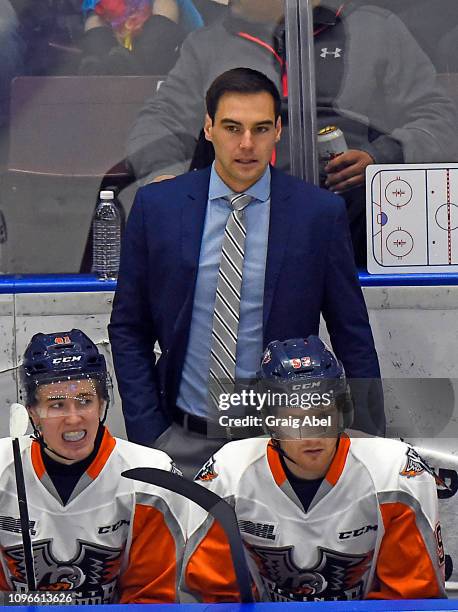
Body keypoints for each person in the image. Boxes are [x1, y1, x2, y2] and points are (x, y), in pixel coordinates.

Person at [109, 67, 382, 478]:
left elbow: (352, 332)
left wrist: (368, 441)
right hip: (180, 440)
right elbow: (129, 328)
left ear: (278, 131)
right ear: (208, 128)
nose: (247, 144)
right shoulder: (157, 209)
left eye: (260, 128)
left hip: (283, 444)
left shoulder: (317, 215)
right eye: (232, 127)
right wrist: (152, 436)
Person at [126, 0, 457, 265]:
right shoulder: (208, 45)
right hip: (238, 223)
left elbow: (442, 120)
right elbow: (161, 120)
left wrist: (379, 158)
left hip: (359, 223)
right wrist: (168, 181)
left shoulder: (375, 29)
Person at [182, 336, 446, 602]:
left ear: (342, 412)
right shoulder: (228, 474)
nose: (311, 436)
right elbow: (215, 597)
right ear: (270, 422)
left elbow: (411, 600)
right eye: (294, 420)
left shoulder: (395, 474)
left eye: (322, 415)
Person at [0, 329, 187, 603]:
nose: (74, 418)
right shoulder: (3, 469)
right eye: (57, 404)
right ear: (32, 414)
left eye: (85, 401)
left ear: (102, 404)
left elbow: (152, 598)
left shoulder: (150, 477)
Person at [79, 0, 203, 75]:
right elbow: (95, 17)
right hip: (116, 63)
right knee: (96, 12)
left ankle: (136, 64)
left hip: (176, 60)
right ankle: (99, 70)